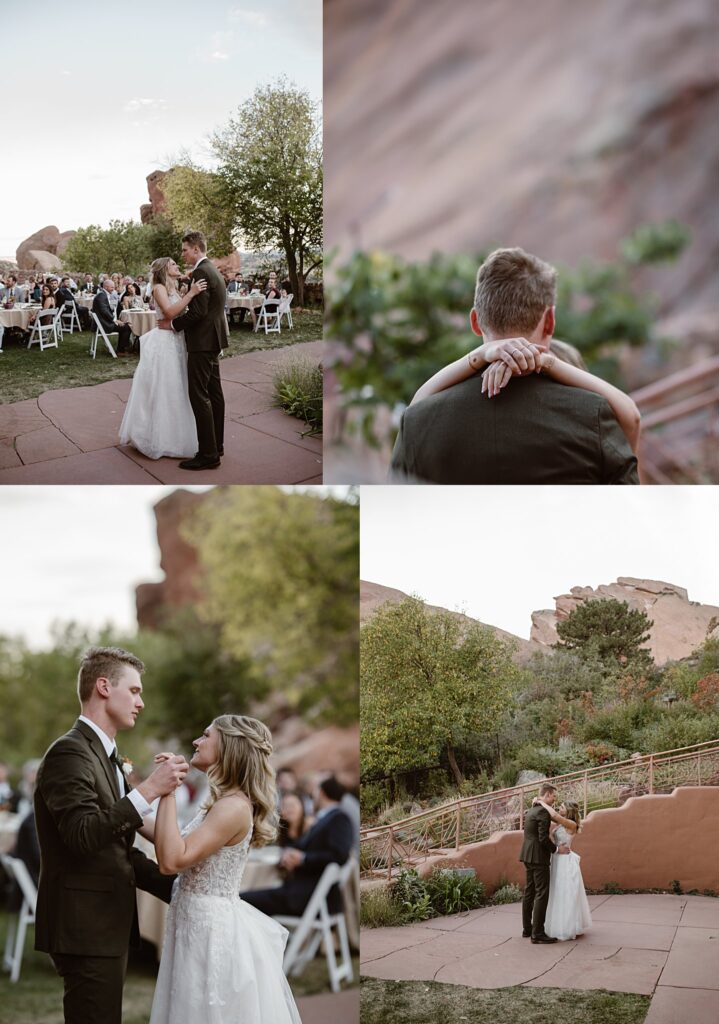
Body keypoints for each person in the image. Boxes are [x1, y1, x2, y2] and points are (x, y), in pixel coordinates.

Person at [390, 247, 640, 484]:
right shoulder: (593, 415)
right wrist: (547, 361)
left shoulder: (417, 423)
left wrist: (477, 357)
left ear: (475, 321)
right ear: (550, 321)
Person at [34, 646, 189, 1024]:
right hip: (84, 926)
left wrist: (182, 889)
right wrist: (149, 789)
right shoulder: (68, 753)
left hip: (105, 924)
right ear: (103, 687)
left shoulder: (107, 756)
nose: (141, 702)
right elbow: (83, 836)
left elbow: (118, 848)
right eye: (134, 691)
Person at [148, 715, 302, 1024]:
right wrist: (128, 804)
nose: (197, 741)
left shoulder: (232, 807)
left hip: (210, 934)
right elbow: (171, 840)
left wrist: (169, 790)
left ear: (229, 748)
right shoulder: (223, 801)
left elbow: (171, 860)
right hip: (194, 923)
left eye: (206, 736)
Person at [119, 256, 206, 459]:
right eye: (173, 264)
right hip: (164, 343)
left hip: (176, 339)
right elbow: (169, 312)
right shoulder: (158, 288)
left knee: (178, 387)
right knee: (164, 387)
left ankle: (176, 436)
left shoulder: (173, 288)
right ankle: (156, 437)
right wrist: (191, 293)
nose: (177, 265)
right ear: (164, 269)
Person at [158, 230, 230, 471]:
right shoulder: (213, 270)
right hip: (214, 340)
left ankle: (208, 454)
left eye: (185, 250)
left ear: (196, 249)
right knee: (215, 393)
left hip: (202, 342)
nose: (183, 254)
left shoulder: (201, 272)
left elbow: (198, 312)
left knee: (199, 396)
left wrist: (174, 325)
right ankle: (217, 445)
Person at [243, 775, 353, 917]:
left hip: (306, 898)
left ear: (321, 793)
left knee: (242, 900)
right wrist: (293, 856)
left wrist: (302, 858)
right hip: (302, 893)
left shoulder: (339, 818)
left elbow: (340, 856)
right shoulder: (326, 818)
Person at [534, 797, 592, 941]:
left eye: (562, 807)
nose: (559, 808)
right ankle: (554, 925)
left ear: (568, 810)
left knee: (565, 893)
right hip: (556, 859)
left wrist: (541, 802)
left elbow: (553, 814)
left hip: (565, 862)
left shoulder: (571, 824)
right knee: (556, 891)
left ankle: (566, 927)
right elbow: (550, 817)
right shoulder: (560, 824)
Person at [519, 782, 569, 944]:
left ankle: (527, 929)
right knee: (542, 893)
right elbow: (542, 838)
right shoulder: (542, 812)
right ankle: (538, 933)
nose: (555, 799)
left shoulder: (532, 810)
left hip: (527, 855)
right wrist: (557, 849)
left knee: (530, 891)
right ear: (547, 794)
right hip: (539, 857)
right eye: (553, 796)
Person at [92, 277, 133, 355]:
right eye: (112, 287)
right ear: (106, 287)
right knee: (127, 327)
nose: (113, 289)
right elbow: (104, 311)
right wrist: (115, 320)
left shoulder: (102, 294)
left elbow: (105, 310)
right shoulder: (101, 296)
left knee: (125, 325)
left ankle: (122, 348)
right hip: (103, 324)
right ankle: (121, 350)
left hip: (103, 322)